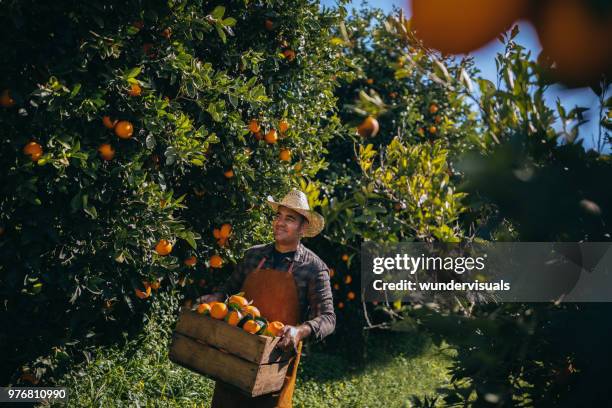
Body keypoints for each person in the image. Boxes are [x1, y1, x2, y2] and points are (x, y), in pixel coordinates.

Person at [196, 189, 336, 408]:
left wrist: (298, 331)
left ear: (303, 227)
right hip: (237, 354)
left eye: (289, 218)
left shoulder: (314, 268)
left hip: (276, 364)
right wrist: (214, 298)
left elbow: (327, 318)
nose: (280, 222)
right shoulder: (253, 256)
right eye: (278, 216)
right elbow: (228, 291)